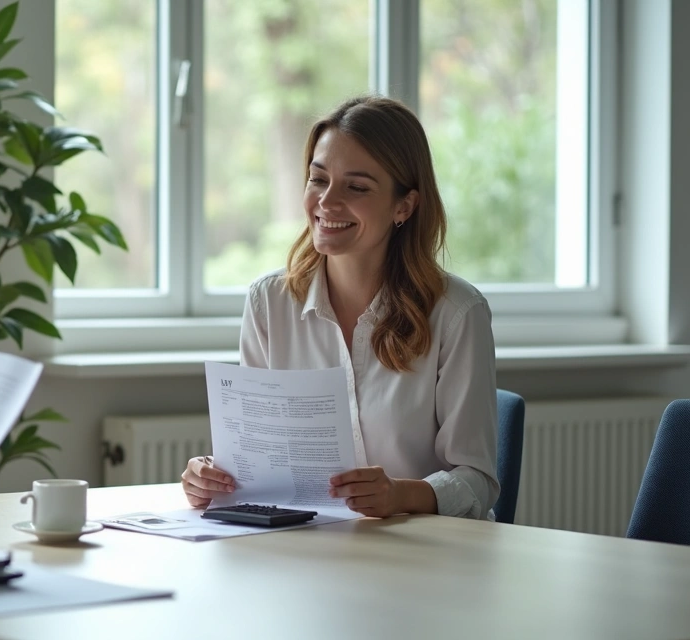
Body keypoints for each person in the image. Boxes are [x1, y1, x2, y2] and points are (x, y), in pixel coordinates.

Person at [182, 96, 499, 520]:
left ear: (404, 206)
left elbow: (478, 481)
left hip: (426, 552)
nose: (327, 202)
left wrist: (399, 495)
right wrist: (212, 476)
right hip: (312, 552)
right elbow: (258, 461)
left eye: (357, 187)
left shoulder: (457, 313)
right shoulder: (269, 304)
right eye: (318, 179)